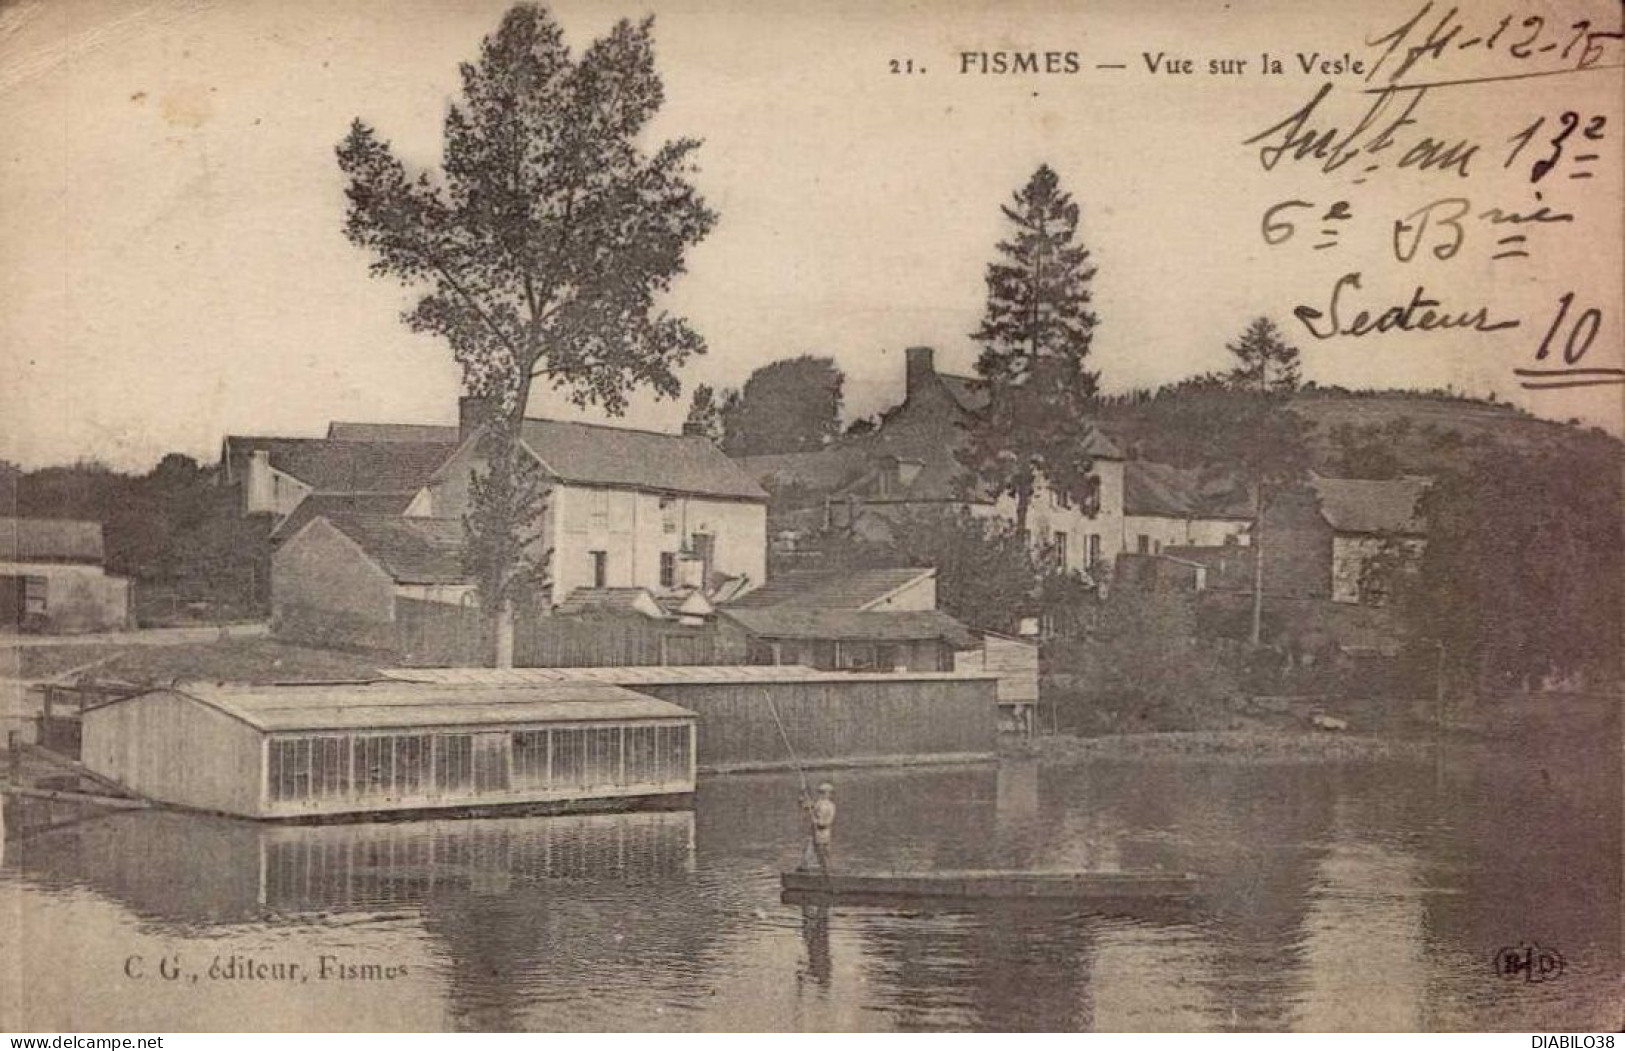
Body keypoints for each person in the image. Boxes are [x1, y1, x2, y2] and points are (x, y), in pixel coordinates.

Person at [799, 782, 836, 872]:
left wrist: (817, 822)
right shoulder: (818, 803)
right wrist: (803, 797)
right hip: (814, 833)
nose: (822, 794)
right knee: (809, 850)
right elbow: (806, 807)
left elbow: (827, 822)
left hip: (822, 833)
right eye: (820, 792)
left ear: (829, 793)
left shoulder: (830, 806)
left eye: (824, 792)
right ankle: (804, 869)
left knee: (822, 853)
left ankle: (827, 872)